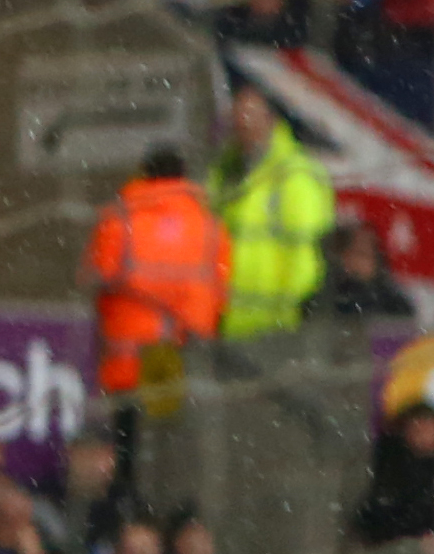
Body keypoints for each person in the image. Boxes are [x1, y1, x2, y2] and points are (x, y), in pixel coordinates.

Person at [81, 144, 228, 417]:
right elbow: (222, 289)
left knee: (131, 445)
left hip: (129, 359)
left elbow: (95, 277)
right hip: (186, 356)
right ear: (184, 177)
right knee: (177, 446)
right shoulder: (210, 225)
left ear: (144, 173)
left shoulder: (118, 218)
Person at [208, 85, 335, 340]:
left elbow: (307, 254)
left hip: (276, 330)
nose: (243, 123)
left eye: (250, 115)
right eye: (238, 116)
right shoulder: (224, 175)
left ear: (271, 120)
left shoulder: (294, 176)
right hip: (228, 328)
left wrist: (292, 311)